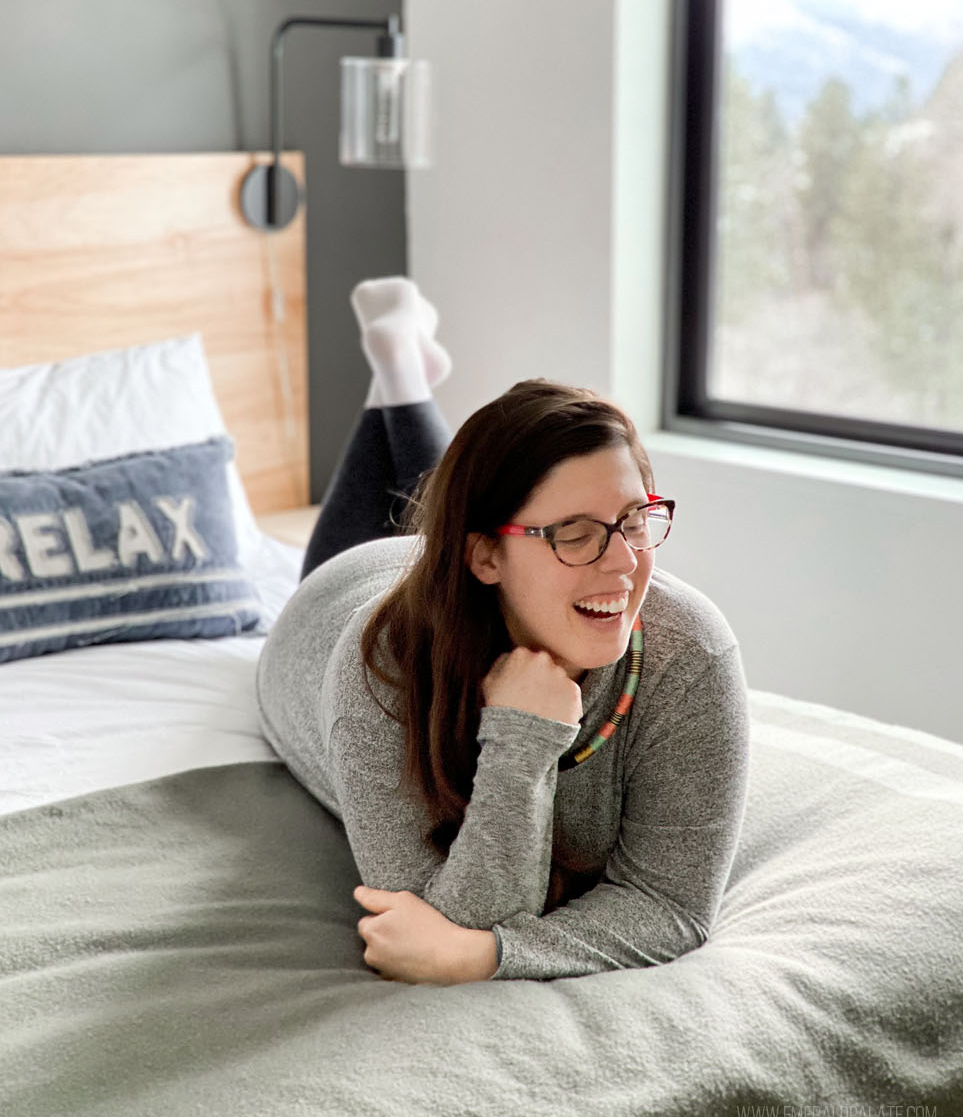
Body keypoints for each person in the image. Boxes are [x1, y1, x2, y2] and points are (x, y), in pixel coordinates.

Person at [256, 278, 750, 985]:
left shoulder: (691, 650)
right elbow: (434, 915)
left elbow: (670, 905)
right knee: (425, 503)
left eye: (635, 520)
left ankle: (401, 370)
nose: (624, 563)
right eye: (576, 535)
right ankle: (400, 373)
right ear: (483, 553)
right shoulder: (378, 669)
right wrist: (522, 737)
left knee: (467, 492)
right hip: (332, 599)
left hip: (462, 558)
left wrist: (489, 955)